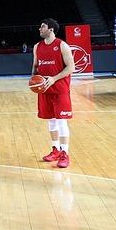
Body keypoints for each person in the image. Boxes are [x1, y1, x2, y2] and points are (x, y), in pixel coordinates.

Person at [32, 19, 75, 168]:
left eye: (42, 26)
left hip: (60, 89)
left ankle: (65, 153)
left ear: (51, 30)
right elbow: (35, 66)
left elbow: (71, 67)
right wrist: (33, 82)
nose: (39, 29)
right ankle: (55, 149)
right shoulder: (37, 47)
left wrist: (54, 78)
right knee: (51, 121)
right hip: (44, 90)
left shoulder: (62, 45)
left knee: (62, 121)